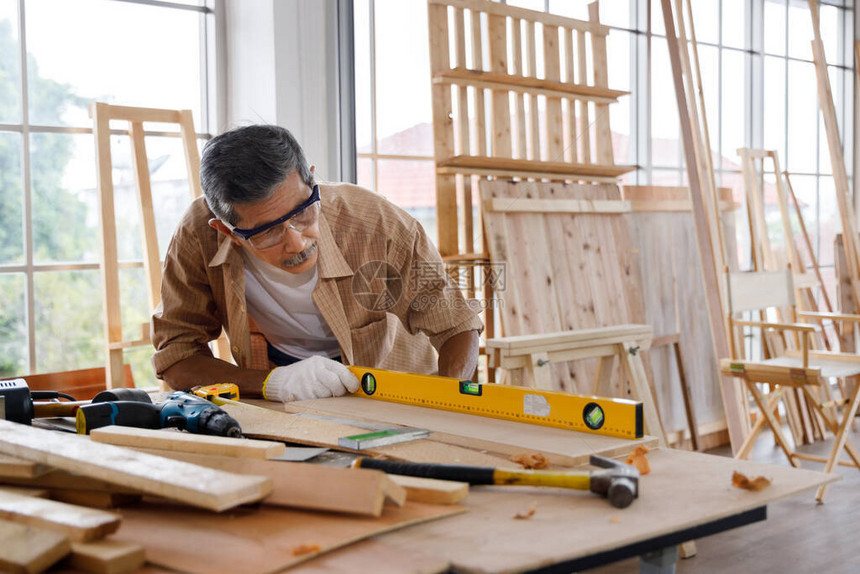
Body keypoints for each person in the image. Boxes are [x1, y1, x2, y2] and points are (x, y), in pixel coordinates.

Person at [151, 124, 482, 402]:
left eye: (302, 213)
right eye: (267, 233)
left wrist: (445, 398)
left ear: (311, 180)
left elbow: (457, 325)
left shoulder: (377, 223)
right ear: (228, 231)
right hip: (282, 389)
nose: (297, 242)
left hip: (391, 386)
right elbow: (177, 355)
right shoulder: (198, 234)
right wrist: (273, 384)